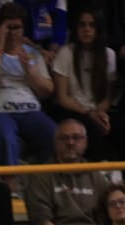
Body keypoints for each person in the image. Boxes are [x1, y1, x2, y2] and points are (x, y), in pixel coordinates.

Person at [26, 118, 112, 225]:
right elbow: (42, 224)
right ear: (55, 142)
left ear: (85, 142)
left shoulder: (97, 176)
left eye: (76, 138)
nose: (71, 142)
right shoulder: (41, 175)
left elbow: (105, 220)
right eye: (64, 138)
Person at [0, 3, 58, 166]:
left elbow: (47, 91)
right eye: (8, 28)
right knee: (6, 136)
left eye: (17, 27)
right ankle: (9, 180)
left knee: (54, 134)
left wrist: (30, 71)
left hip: (29, 110)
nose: (12, 33)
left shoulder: (33, 54)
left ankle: (45, 177)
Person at [50, 8, 115, 161]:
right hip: (72, 109)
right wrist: (89, 114)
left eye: (92, 25)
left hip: (98, 110)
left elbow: (108, 97)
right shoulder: (66, 52)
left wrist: (100, 115)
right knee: (92, 129)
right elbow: (62, 97)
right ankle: (94, 171)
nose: (87, 29)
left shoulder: (109, 54)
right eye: (82, 25)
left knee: (119, 129)